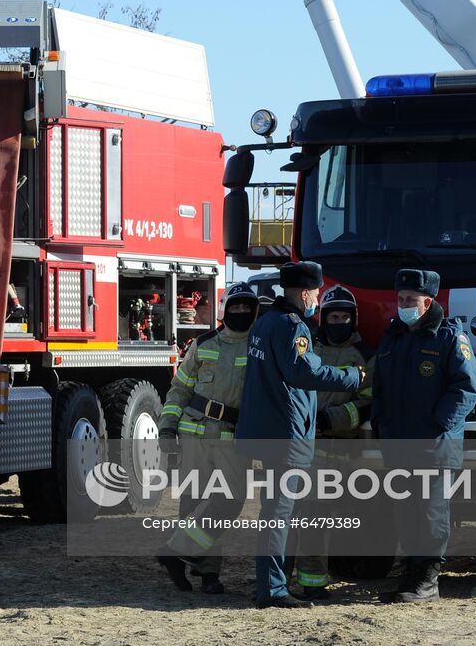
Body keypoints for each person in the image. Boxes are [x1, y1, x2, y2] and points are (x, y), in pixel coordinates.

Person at [237, 261, 362, 609]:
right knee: (278, 514)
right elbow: (304, 373)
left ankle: (271, 583)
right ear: (306, 292)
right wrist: (352, 377)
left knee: (274, 512)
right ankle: (273, 590)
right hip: (287, 434)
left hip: (266, 431)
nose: (317, 299)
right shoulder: (294, 327)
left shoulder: (265, 322)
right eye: (317, 293)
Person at [371, 268, 476, 603]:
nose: (402, 305)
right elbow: (380, 388)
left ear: (428, 302)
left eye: (410, 300)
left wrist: (437, 423)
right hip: (398, 444)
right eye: (400, 298)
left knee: (431, 512)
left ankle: (428, 580)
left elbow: (467, 388)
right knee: (406, 512)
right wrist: (380, 422)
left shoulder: (449, 338)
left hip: (434, 445)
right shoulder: (393, 338)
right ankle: (411, 574)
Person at [155, 283, 259, 595]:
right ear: (225, 310)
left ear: (254, 311)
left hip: (231, 436)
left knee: (227, 501)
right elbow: (180, 390)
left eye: (246, 308)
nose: (240, 313)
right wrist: (167, 427)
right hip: (193, 433)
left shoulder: (259, 346)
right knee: (195, 503)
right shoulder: (204, 344)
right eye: (235, 307)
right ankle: (206, 574)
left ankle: (176, 553)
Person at [288, 283, 372, 599]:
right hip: (298, 445)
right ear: (323, 318)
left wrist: (330, 419)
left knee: (315, 518)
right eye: (333, 316)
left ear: (353, 319)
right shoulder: (307, 345)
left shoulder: (364, 356)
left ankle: (312, 584)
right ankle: (277, 581)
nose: (339, 322)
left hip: (335, 449)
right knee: (287, 515)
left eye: (344, 316)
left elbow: (367, 402)